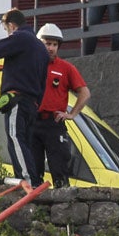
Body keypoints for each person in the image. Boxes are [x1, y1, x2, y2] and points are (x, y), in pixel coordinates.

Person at [0, 8, 49, 188]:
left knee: (15, 137)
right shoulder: (41, 48)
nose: (7, 33)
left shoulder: (20, 37)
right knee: (25, 143)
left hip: (18, 99)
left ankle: (28, 180)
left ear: (11, 25)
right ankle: (30, 178)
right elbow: (43, 81)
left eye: (6, 29)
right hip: (32, 102)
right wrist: (36, 103)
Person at [32, 23, 92, 187]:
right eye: (47, 43)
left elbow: (85, 93)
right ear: (39, 44)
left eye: (54, 44)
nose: (51, 48)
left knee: (60, 171)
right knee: (33, 174)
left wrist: (72, 114)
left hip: (54, 123)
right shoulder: (31, 65)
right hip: (33, 122)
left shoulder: (66, 68)